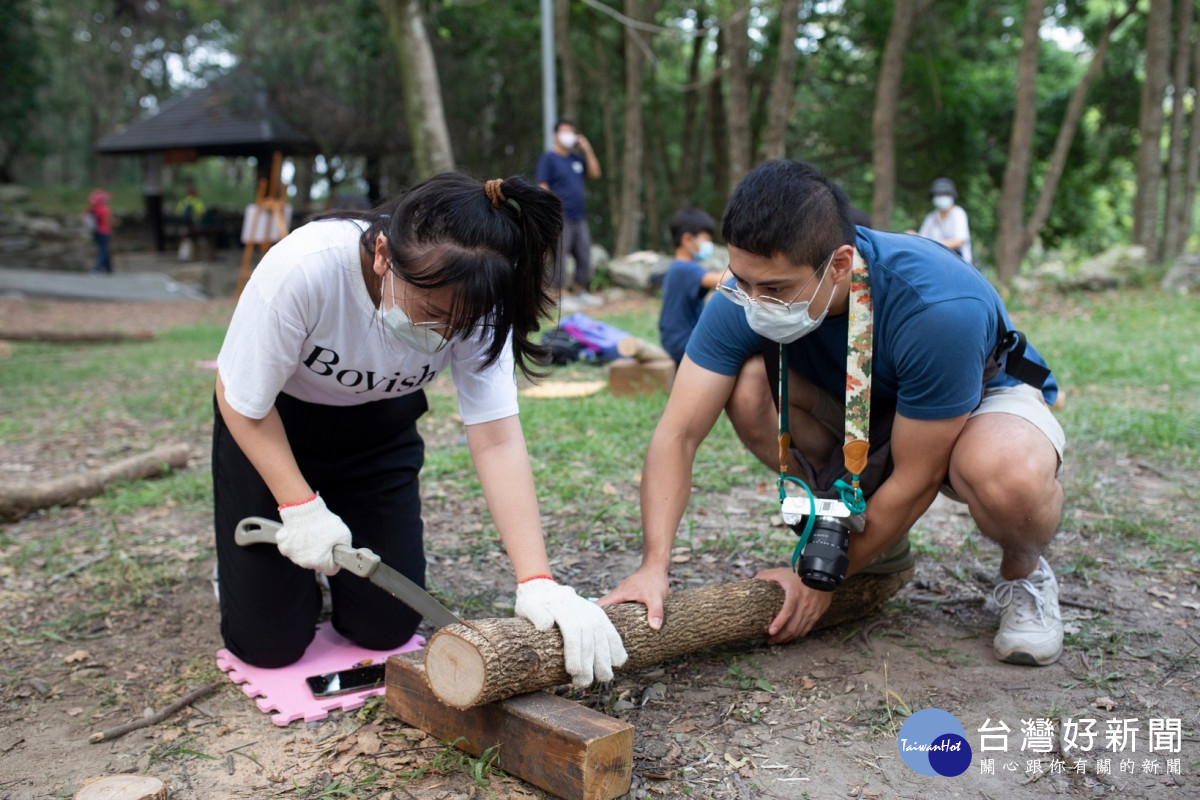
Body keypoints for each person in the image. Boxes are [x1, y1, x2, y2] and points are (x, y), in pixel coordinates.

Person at [601, 160, 1066, 667]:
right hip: (856, 404)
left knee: (1008, 474)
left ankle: (1024, 573)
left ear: (840, 264)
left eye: (776, 289)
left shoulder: (937, 306)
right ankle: (843, 524)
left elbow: (918, 475)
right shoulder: (746, 292)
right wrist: (654, 566)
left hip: (971, 402)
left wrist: (812, 581)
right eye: (742, 280)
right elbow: (678, 433)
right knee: (748, 387)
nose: (754, 302)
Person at [212, 172, 627, 685]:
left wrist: (537, 580)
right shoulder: (306, 267)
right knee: (267, 645)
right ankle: (243, 570)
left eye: (459, 324)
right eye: (431, 313)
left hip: (379, 430)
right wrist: (299, 506)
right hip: (274, 423)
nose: (443, 334)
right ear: (384, 255)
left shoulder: (481, 302)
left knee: (385, 627)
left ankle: (321, 558)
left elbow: (496, 437)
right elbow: (241, 400)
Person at [536, 118, 602, 309]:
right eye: (564, 131)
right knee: (559, 255)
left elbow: (595, 173)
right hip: (560, 216)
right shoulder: (548, 159)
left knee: (584, 254)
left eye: (571, 131)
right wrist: (548, 211)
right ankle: (560, 294)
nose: (568, 135)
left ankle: (580, 290)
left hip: (579, 216)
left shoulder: (576, 160)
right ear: (555, 135)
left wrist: (587, 149)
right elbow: (542, 185)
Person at [658, 208, 722, 365]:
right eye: (706, 240)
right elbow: (720, 280)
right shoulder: (683, 268)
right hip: (681, 342)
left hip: (676, 339)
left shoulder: (681, 268)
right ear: (687, 239)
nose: (709, 245)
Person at [915, 177, 972, 265]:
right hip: (937, 262)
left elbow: (959, 240)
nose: (941, 197)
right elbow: (923, 238)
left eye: (944, 194)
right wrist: (913, 237)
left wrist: (934, 245)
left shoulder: (958, 213)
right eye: (938, 195)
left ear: (952, 196)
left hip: (959, 263)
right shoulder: (931, 217)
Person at [175, 182, 206, 262]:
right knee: (196, 241)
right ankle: (195, 258)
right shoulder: (197, 201)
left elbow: (177, 213)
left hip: (183, 225)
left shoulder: (183, 201)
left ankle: (183, 257)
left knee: (184, 241)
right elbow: (201, 213)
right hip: (193, 225)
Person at [86, 189, 113, 274]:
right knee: (103, 250)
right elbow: (107, 220)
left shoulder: (93, 209)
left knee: (105, 249)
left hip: (96, 231)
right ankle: (97, 268)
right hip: (104, 231)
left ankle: (109, 269)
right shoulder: (104, 209)